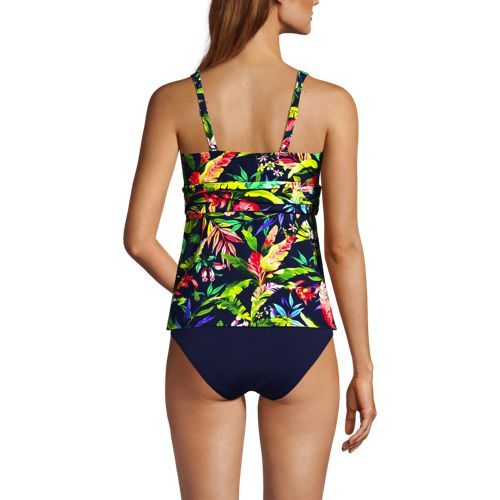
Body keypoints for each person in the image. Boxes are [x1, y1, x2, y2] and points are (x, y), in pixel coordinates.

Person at [124, 0, 376, 498]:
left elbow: (138, 239)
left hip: (204, 337)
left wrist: (208, 294)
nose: (317, 0)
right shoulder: (331, 104)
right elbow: (342, 247)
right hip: (299, 335)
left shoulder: (174, 100)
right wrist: (363, 367)